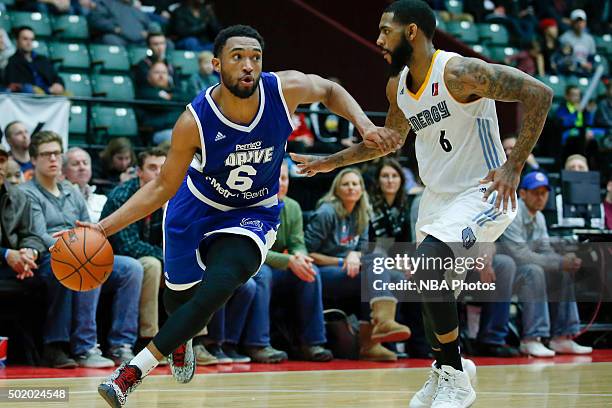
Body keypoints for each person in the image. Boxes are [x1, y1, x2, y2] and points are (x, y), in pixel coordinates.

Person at [71, 24, 399, 407]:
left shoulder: (283, 89)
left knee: (219, 286)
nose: (248, 65)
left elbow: (328, 90)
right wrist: (101, 228)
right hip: (195, 207)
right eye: (238, 57)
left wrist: (364, 126)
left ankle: (131, 373)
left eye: (255, 58)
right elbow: (162, 187)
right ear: (216, 63)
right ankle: (182, 340)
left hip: (251, 213)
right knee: (180, 300)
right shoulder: (194, 120)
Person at [290, 1, 553, 406]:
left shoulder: (460, 71)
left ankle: (455, 381)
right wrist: (330, 162)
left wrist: (513, 167)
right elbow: (390, 141)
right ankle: (449, 366)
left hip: (482, 191)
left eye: (385, 31)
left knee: (430, 264)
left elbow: (539, 93)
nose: (378, 39)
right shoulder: (398, 85)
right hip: (436, 199)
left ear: (411, 32)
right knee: (429, 286)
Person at [21, 131, 144, 368]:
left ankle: (122, 344)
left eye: (57, 153)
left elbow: (87, 226)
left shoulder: (71, 190)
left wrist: (87, 244)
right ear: (34, 159)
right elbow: (39, 235)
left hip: (79, 251)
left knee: (131, 268)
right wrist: (77, 247)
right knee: (86, 262)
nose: (53, 159)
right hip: (48, 258)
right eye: (46, 154)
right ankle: (85, 347)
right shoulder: (27, 192)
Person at [305, 168, 411, 361]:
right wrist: (341, 260)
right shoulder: (326, 212)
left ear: (362, 189)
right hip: (322, 272)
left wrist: (355, 254)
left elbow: (362, 250)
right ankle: (383, 323)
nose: (351, 188)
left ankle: (370, 343)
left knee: (396, 276)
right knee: (376, 261)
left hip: (351, 271)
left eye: (355, 184)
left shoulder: (362, 213)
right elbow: (308, 253)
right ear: (337, 189)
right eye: (346, 184)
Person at [499, 172, 592, 357]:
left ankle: (562, 337)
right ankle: (531, 339)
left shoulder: (539, 217)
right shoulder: (511, 214)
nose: (540, 197)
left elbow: (545, 250)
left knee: (563, 272)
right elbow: (520, 256)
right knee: (535, 271)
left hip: (527, 269)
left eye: (544, 193)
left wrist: (563, 261)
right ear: (523, 193)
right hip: (507, 272)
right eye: (535, 192)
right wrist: (558, 262)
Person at [247, 160, 332, 362]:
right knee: (263, 273)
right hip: (251, 265)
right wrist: (289, 260)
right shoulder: (250, 205)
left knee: (311, 272)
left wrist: (300, 257)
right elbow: (254, 251)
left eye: (284, 178)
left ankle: (311, 343)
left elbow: (297, 242)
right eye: (276, 178)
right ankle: (257, 344)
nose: (281, 183)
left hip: (280, 267)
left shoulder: (292, 207)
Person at [100, 148, 168, 352]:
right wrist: (168, 257)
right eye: (152, 167)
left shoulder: (170, 194)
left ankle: (195, 342)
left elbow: (179, 241)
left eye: (163, 168)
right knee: (152, 265)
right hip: (115, 259)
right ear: (139, 171)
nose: (158, 173)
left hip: (151, 256)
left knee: (192, 264)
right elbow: (128, 247)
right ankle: (149, 340)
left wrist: (167, 215)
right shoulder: (122, 195)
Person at [0, 145, 46, 283]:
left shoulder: (19, 196)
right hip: (7, 258)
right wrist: (5, 254)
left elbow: (31, 235)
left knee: (61, 268)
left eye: (2, 160)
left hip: (15, 264)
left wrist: (29, 252)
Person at [136, 61, 188, 144]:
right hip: (158, 132)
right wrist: (174, 103)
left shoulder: (175, 91)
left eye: (164, 72)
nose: (161, 76)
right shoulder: (144, 92)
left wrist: (170, 97)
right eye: (157, 72)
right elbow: (159, 105)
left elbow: (189, 99)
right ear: (148, 77)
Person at [4, 26, 65, 95]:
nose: (29, 43)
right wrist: (47, 90)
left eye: (31, 39)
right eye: (25, 39)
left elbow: (56, 77)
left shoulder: (43, 59)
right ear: (17, 41)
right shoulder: (12, 62)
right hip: (30, 100)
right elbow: (17, 86)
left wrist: (59, 84)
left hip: (50, 97)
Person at [556, 154, 604, 228]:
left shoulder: (596, 201)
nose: (576, 170)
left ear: (588, 172)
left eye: (581, 167)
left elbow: (600, 227)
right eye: (572, 168)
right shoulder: (558, 201)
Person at [63, 147, 108, 222]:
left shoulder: (102, 200)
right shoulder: (59, 199)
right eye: (75, 164)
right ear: (64, 170)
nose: (82, 167)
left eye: (85, 163)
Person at [558, 9, 596, 76]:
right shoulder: (564, 38)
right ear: (572, 22)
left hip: (585, 73)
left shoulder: (590, 39)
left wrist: (589, 65)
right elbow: (563, 59)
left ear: (585, 22)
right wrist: (579, 64)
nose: (579, 24)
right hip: (569, 73)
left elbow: (591, 58)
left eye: (581, 21)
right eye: (577, 21)